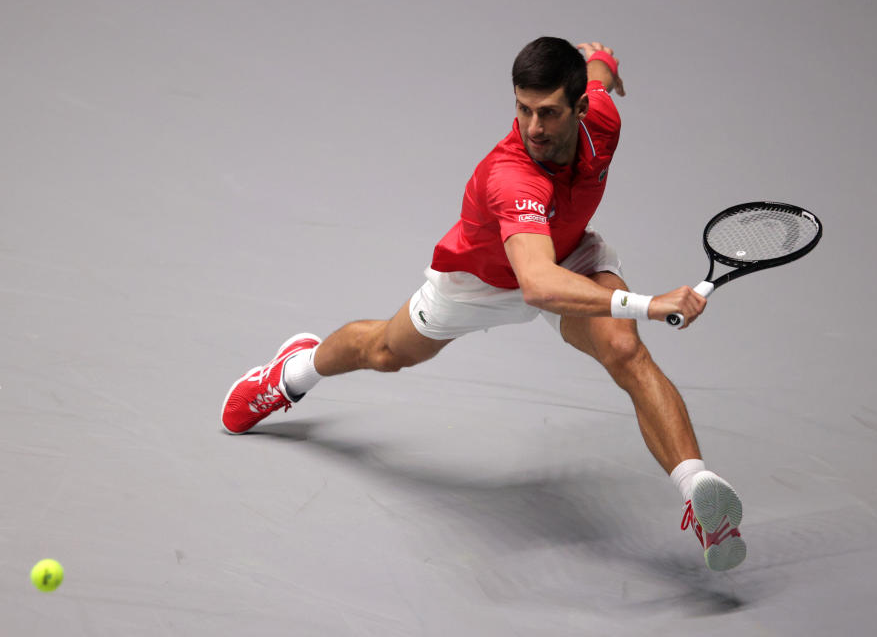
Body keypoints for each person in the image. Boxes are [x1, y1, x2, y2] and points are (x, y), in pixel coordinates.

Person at [221, 37, 746, 571]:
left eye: (548, 112)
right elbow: (537, 285)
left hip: (569, 255)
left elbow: (597, 77)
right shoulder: (511, 173)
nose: (534, 127)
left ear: (581, 107)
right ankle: (293, 373)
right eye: (522, 109)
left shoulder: (602, 116)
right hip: (483, 280)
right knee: (385, 352)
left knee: (626, 351)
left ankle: (700, 494)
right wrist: (649, 303)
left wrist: (603, 62)